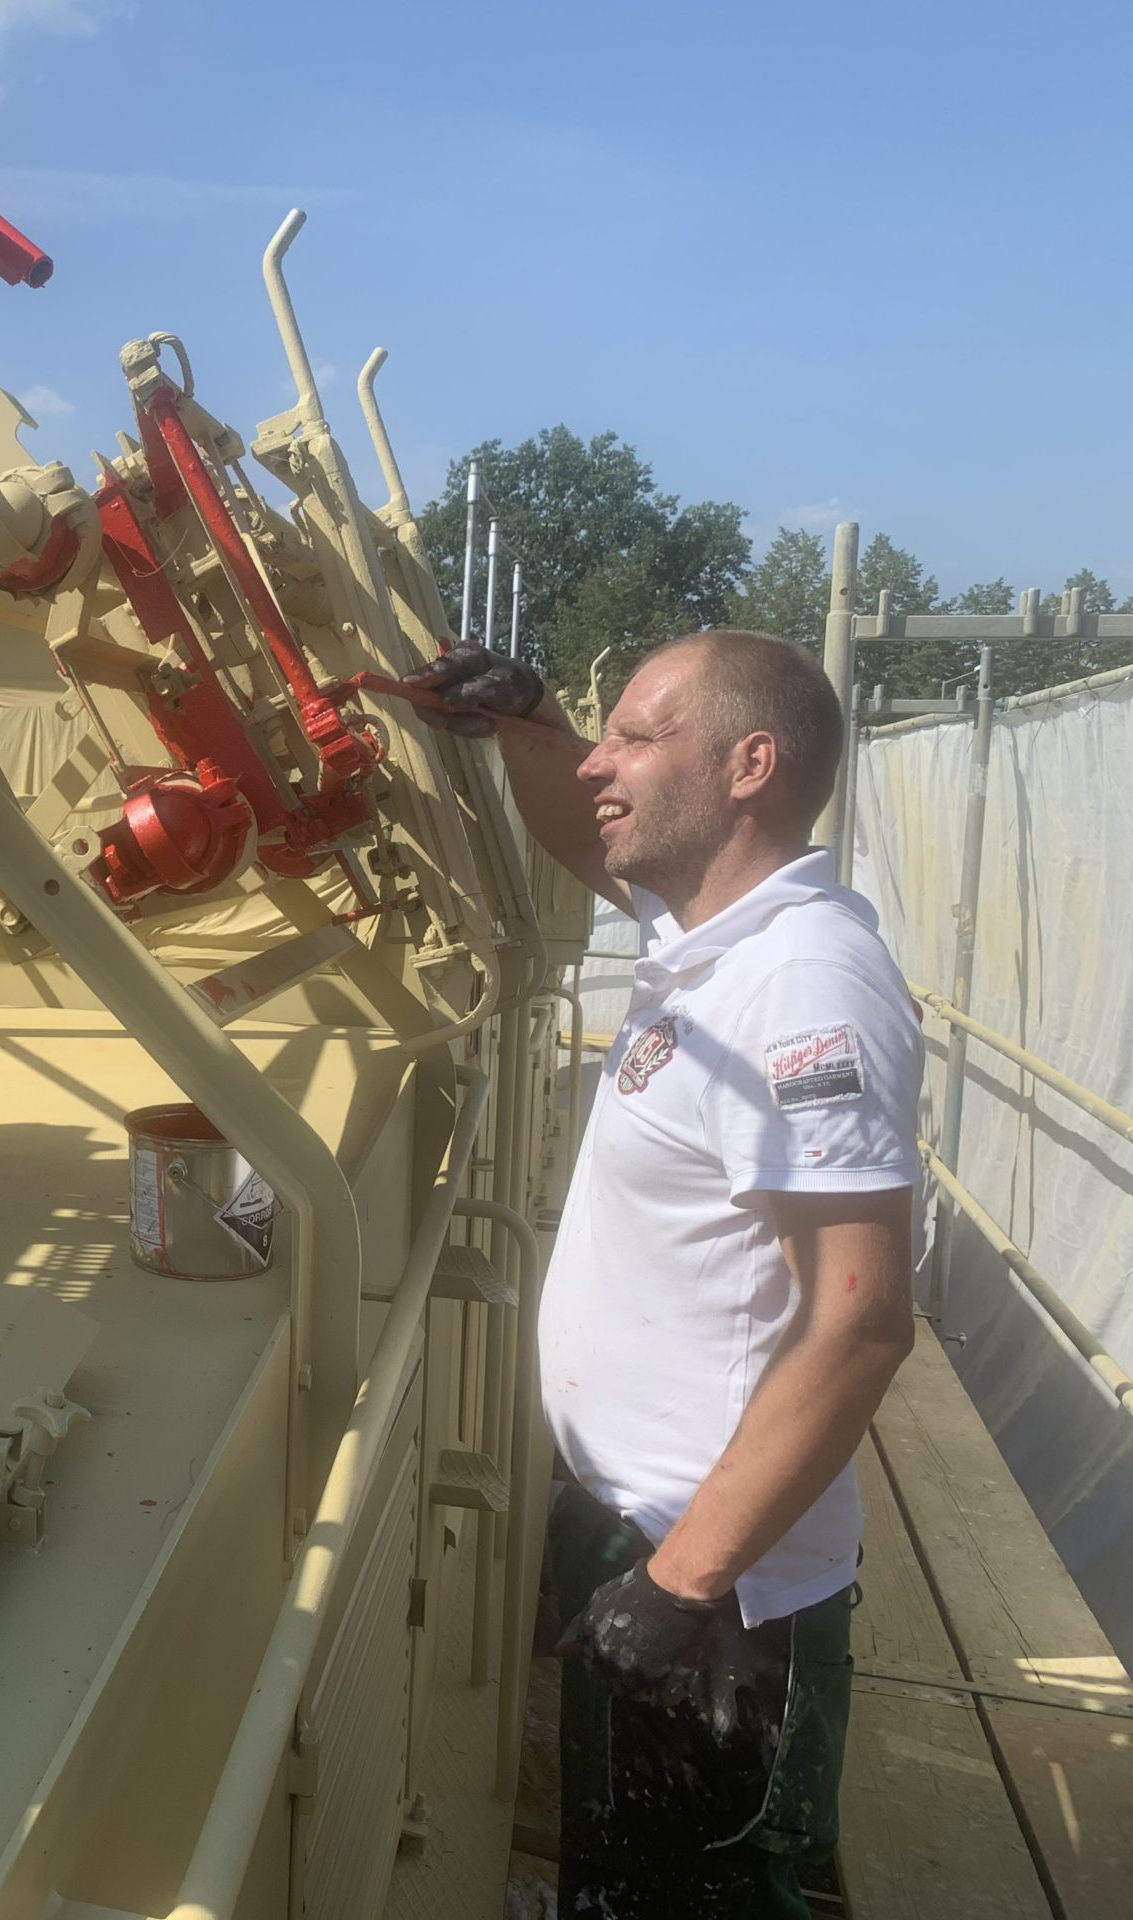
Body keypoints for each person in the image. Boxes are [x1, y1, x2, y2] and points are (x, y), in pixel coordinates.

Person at [406, 631, 919, 1918]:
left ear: (750, 766)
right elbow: (583, 837)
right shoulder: (708, 935)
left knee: (706, 1894)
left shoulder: (799, 985)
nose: (600, 762)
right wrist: (526, 720)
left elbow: (859, 1321)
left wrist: (680, 1583)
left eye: (636, 737)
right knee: (621, 1881)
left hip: (721, 1593)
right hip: (644, 1531)